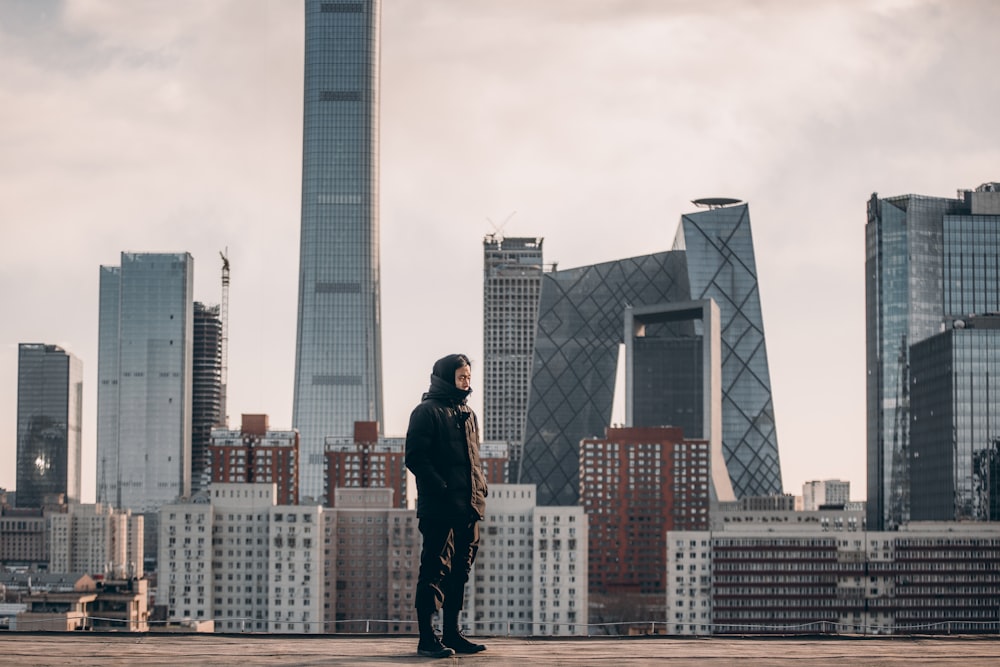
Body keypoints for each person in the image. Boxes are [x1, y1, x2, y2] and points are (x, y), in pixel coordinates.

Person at [405, 354, 488, 658]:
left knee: (460, 572)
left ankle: (453, 633)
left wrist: (481, 489)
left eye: (469, 376)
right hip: (440, 508)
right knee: (434, 570)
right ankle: (428, 638)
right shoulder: (426, 412)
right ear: (445, 377)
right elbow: (415, 457)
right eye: (462, 377)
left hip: (468, 507)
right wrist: (441, 487)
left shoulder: (468, 414)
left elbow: (472, 461)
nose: (467, 382)